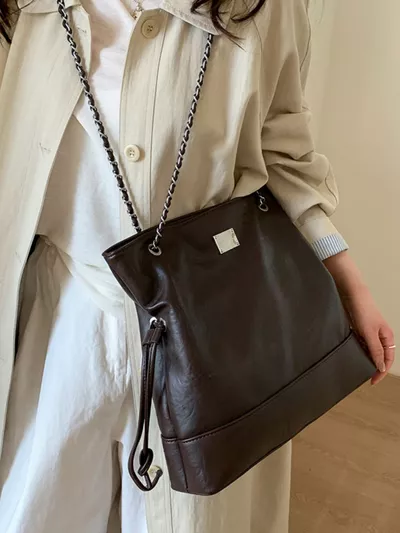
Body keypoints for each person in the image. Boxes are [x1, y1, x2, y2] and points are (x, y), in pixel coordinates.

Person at [0, 0, 395, 531]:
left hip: (211, 330)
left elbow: (283, 149)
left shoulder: (265, 9)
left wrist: (345, 277)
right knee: (38, 508)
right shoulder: (27, 8)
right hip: (65, 312)